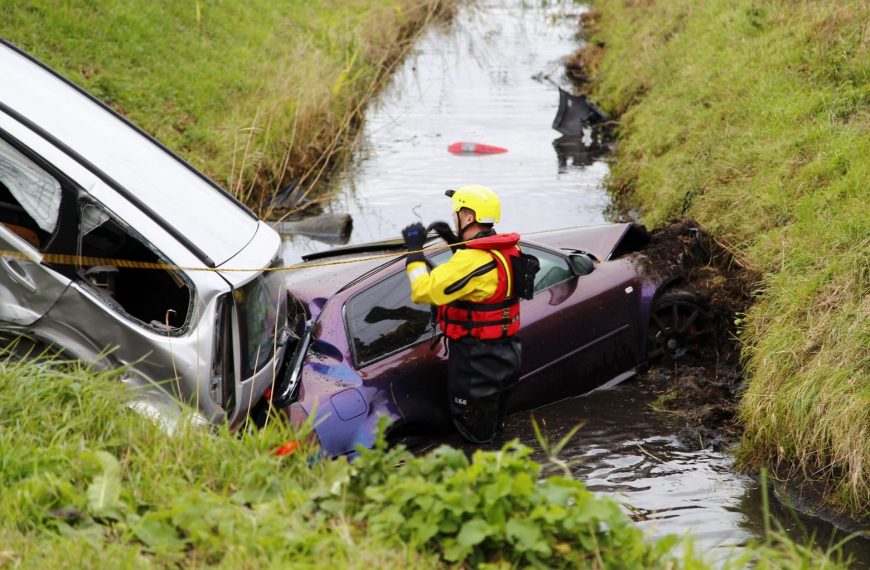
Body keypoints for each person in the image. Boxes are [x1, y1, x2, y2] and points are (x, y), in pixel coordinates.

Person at [401, 184, 523, 443]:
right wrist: (455, 244)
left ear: (468, 217)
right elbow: (480, 285)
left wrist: (414, 253)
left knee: (475, 436)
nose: (453, 217)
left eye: (455, 212)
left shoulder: (470, 261)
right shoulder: (509, 250)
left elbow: (422, 291)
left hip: (476, 364)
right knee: (494, 426)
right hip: (508, 354)